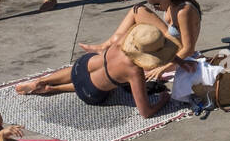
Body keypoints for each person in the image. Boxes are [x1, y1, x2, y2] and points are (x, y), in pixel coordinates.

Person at [15, 25, 179, 118]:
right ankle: (55, 89)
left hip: (82, 66)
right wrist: (164, 100)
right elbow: (145, 112)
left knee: (81, 72)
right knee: (108, 85)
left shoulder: (123, 41)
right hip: (89, 92)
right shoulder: (134, 71)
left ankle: (44, 80)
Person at [82, 0, 202, 80]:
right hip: (168, 40)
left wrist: (163, 68)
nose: (155, 8)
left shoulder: (184, 12)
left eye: (157, 4)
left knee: (126, 65)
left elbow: (188, 49)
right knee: (138, 9)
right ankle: (105, 46)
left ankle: (109, 50)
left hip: (176, 53)